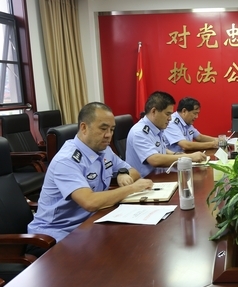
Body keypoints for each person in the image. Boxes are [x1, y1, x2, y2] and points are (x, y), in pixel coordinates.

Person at [27, 102, 153, 249]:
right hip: (55, 235)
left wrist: (122, 173)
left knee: (138, 240)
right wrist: (132, 188)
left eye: (112, 129)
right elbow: (90, 202)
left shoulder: (104, 150)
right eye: (103, 129)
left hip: (89, 224)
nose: (109, 135)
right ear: (84, 128)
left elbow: (134, 172)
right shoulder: (66, 160)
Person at [126, 91, 207, 177]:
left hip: (161, 176)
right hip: (146, 181)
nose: (170, 118)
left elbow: (161, 149)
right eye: (167, 114)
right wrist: (190, 157)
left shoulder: (157, 128)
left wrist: (177, 154)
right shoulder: (139, 132)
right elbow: (155, 160)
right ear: (154, 111)